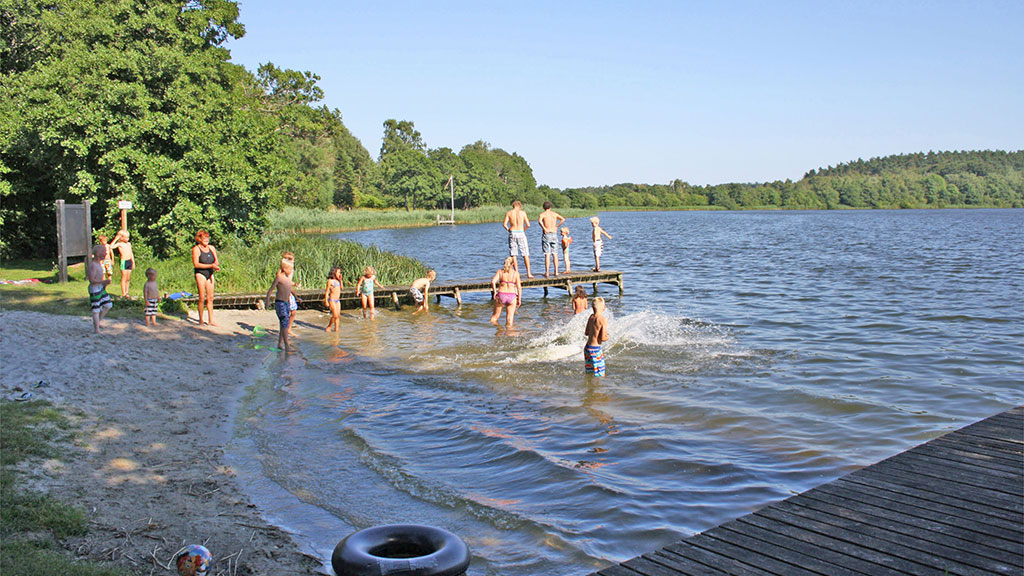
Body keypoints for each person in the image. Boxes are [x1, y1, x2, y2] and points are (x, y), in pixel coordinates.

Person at [265, 259, 295, 352]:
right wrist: (267, 301)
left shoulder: (288, 279)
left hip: (286, 303)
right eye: (290, 269)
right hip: (280, 303)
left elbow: (290, 289)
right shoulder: (279, 278)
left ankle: (280, 343)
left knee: (283, 324)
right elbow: (270, 290)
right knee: (285, 323)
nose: (292, 270)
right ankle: (287, 345)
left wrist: (297, 298)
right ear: (285, 269)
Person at [191, 230, 220, 326]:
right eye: (204, 238)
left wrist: (215, 266)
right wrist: (211, 266)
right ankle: (201, 320)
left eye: (208, 238)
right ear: (199, 239)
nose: (207, 240)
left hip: (210, 273)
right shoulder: (196, 249)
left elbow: (216, 261)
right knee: (202, 297)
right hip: (200, 274)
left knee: (210, 297)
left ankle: (211, 320)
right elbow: (196, 264)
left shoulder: (211, 248)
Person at [503, 200, 533, 278]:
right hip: (521, 232)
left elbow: (504, 224)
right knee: (525, 253)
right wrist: (524, 229)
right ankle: (529, 273)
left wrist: (508, 229)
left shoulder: (509, 213)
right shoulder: (523, 213)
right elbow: (528, 225)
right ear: (519, 205)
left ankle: (516, 273)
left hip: (512, 232)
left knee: (514, 254)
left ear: (513, 206)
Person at [489, 256, 522, 329]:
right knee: (509, 319)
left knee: (494, 317)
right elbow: (519, 287)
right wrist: (519, 299)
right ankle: (508, 335)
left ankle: (498, 330)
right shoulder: (515, 273)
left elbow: (493, 282)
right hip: (512, 296)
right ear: (513, 264)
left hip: (501, 295)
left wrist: (495, 292)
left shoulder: (500, 272)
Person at [87, 244, 113, 333]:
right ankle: (96, 328)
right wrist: (103, 282)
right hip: (94, 289)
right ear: (98, 254)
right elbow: (91, 280)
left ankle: (98, 321)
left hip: (100, 288)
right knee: (96, 309)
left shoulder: (99, 264)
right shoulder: (93, 265)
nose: (105, 254)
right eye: (104, 252)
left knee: (108, 305)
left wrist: (104, 284)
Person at [538, 201, 566, 277]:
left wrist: (544, 227)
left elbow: (540, 221)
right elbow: (563, 219)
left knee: (547, 254)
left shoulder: (543, 214)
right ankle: (556, 271)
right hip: (554, 233)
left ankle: (547, 272)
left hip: (546, 234)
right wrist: (557, 226)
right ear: (550, 207)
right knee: (555, 253)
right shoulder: (554, 214)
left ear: (544, 208)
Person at [584, 297, 610, 377]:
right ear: (604, 307)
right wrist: (608, 336)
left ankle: (590, 388)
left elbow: (586, 333)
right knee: (600, 374)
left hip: (587, 348)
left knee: (590, 372)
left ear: (592, 307)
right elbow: (602, 338)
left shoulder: (591, 317)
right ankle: (597, 389)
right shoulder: (603, 320)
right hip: (595, 349)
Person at [108, 229, 135, 297]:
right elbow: (110, 247)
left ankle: (127, 292)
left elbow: (131, 253)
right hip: (123, 261)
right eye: (126, 237)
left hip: (129, 261)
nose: (128, 239)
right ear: (122, 238)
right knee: (124, 277)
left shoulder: (129, 244)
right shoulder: (120, 244)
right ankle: (123, 293)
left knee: (128, 278)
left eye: (128, 237)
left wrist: (133, 262)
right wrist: (116, 239)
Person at [282, 252, 301, 336]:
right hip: (286, 293)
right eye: (292, 260)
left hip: (289, 292)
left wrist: (295, 284)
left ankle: (288, 329)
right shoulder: (285, 270)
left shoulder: (290, 269)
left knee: (293, 312)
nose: (293, 262)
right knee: (288, 312)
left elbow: (289, 281)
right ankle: (285, 330)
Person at [323, 266, 344, 332]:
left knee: (338, 316)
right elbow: (327, 292)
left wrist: (341, 280)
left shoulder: (338, 281)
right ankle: (329, 326)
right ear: (334, 273)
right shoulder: (330, 281)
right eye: (338, 272)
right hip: (332, 300)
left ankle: (336, 329)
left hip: (338, 301)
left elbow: (342, 288)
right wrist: (326, 301)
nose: (339, 274)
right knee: (335, 315)